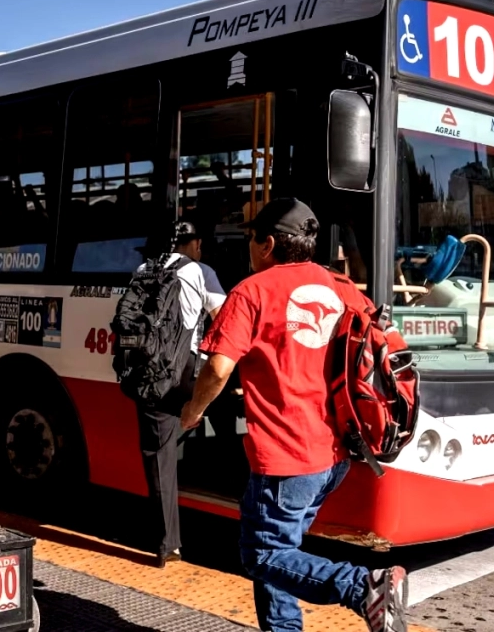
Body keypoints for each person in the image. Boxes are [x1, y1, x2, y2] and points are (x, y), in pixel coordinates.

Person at [180, 198, 411, 632]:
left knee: (264, 555)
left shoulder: (252, 291)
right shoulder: (342, 286)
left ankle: (364, 587)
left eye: (251, 238)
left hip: (285, 456)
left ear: (267, 244)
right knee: (284, 552)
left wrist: (193, 411)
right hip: (335, 453)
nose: (249, 247)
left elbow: (218, 368)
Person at [132, 220, 225, 568]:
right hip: (187, 371)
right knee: (221, 408)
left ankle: (167, 544)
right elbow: (224, 320)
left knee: (159, 454)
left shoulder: (143, 269)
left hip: (149, 370)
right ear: (195, 243)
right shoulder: (202, 272)